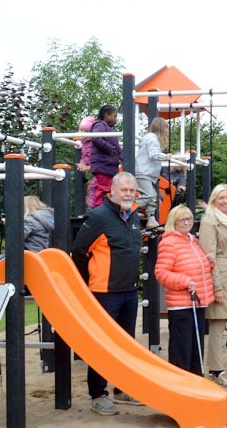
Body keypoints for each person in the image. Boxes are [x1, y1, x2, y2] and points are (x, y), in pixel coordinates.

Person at [72, 172, 143, 415]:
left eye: (132, 190)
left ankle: (122, 388)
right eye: (124, 189)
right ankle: (98, 394)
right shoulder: (99, 217)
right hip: (105, 293)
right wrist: (86, 282)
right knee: (103, 344)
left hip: (130, 291)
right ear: (112, 191)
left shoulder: (133, 216)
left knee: (126, 344)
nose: (128, 194)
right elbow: (79, 251)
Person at [155, 205, 215, 377]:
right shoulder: (169, 242)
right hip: (181, 305)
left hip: (197, 302)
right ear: (173, 222)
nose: (187, 222)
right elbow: (161, 273)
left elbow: (194, 268)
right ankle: (180, 385)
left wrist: (208, 263)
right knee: (182, 348)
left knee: (195, 347)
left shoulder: (192, 240)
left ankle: (195, 381)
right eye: (182, 219)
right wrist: (184, 281)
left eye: (189, 218)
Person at [198, 184, 227, 390]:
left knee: (222, 325)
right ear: (213, 201)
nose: (225, 201)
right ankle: (216, 370)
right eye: (221, 198)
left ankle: (215, 369)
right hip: (220, 277)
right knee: (217, 327)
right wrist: (216, 287)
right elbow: (209, 257)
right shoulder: (210, 221)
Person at [137, 116, 172, 228]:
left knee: (153, 197)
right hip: (143, 172)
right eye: (166, 129)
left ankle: (151, 219)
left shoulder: (148, 137)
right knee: (149, 195)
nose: (167, 132)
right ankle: (126, 208)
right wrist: (166, 156)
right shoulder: (153, 139)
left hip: (146, 172)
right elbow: (154, 155)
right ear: (161, 129)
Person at [89, 105, 122, 208]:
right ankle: (99, 209)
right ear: (106, 115)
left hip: (109, 165)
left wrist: (123, 156)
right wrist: (110, 149)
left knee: (109, 189)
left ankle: (105, 208)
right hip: (102, 164)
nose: (116, 119)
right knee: (103, 188)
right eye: (114, 116)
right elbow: (96, 138)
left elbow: (116, 148)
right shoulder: (100, 125)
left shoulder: (110, 129)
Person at [75, 116, 98, 208]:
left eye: (84, 131)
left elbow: (98, 159)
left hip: (99, 168)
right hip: (94, 169)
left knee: (93, 186)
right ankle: (92, 206)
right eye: (80, 130)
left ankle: (93, 206)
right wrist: (82, 163)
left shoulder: (95, 142)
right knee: (92, 186)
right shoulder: (84, 143)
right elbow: (85, 156)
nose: (80, 133)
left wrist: (88, 167)